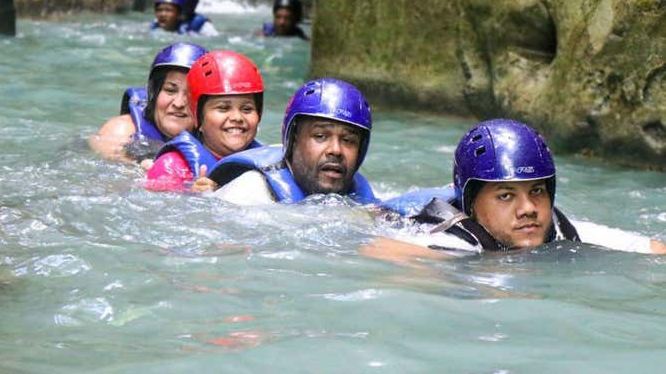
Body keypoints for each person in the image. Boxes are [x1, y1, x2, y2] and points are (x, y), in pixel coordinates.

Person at [362, 119, 666, 260]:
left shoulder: (562, 231)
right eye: (505, 195)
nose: (528, 208)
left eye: (537, 191)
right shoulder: (449, 244)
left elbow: (652, 249)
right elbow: (375, 251)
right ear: (471, 205)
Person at [201, 78, 377, 205]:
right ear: (293, 141)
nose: (336, 150)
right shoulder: (248, 195)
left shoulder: (362, 198)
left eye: (348, 140)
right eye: (320, 136)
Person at [144, 50, 264, 191]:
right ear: (198, 118)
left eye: (247, 109)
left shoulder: (269, 161)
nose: (237, 117)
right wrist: (195, 199)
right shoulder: (170, 167)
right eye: (223, 108)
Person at [89, 42, 207, 162]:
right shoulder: (122, 132)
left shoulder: (213, 139)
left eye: (190, 94)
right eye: (170, 90)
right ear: (153, 94)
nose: (178, 103)